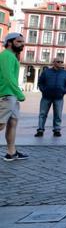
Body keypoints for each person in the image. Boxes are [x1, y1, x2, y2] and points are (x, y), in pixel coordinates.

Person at [0, 33, 28, 162]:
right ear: (10, 42)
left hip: (11, 95)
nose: (22, 44)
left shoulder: (12, 56)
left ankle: (11, 153)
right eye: (19, 41)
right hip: (6, 94)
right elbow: (8, 77)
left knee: (12, 123)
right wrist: (19, 94)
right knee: (0, 124)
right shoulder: (6, 56)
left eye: (23, 42)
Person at [35, 56, 66, 137]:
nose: (60, 63)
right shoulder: (46, 72)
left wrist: (63, 91)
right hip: (46, 97)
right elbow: (40, 82)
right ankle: (40, 130)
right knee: (42, 114)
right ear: (54, 62)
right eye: (58, 62)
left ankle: (57, 130)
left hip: (59, 97)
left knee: (58, 114)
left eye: (62, 62)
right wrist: (43, 90)